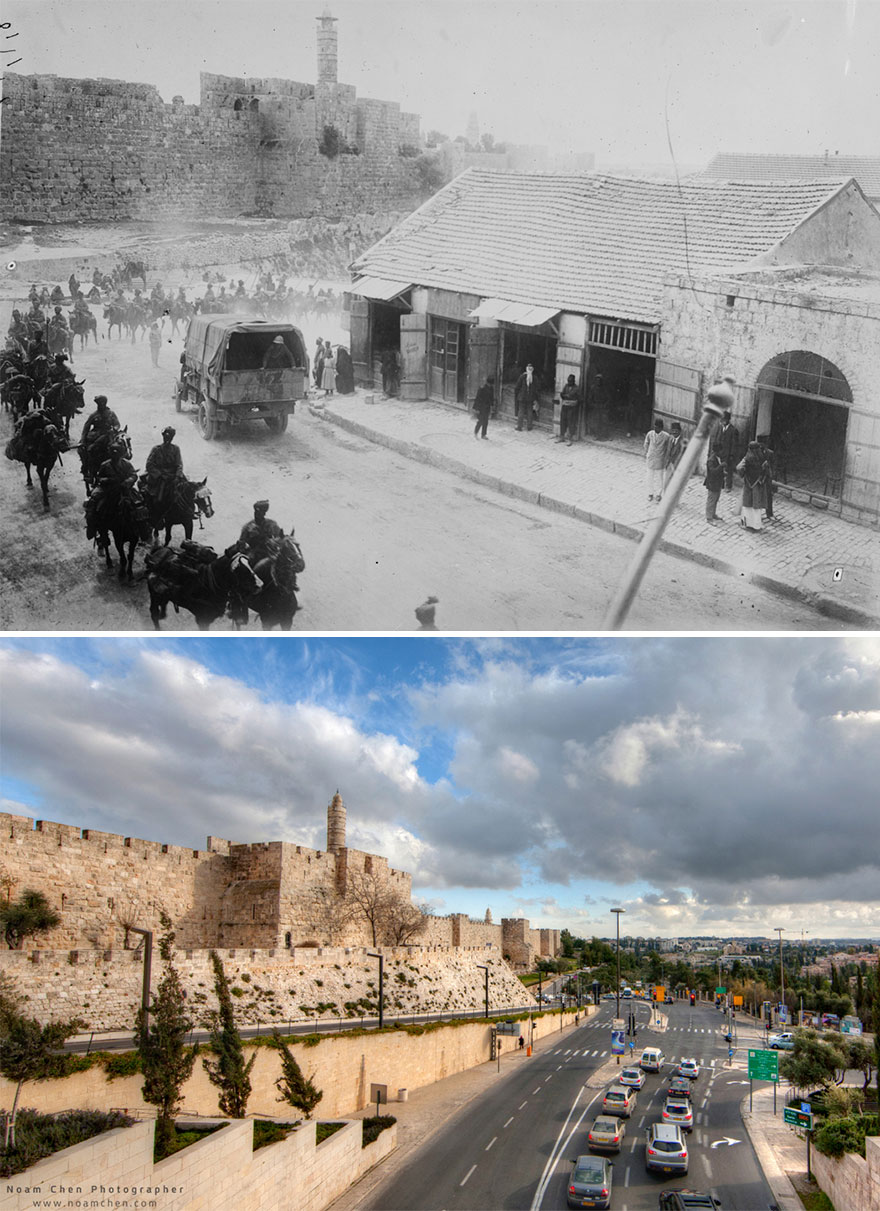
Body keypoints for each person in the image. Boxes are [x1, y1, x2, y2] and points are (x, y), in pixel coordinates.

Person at [85, 438, 138, 541]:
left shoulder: (126, 464)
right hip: (108, 490)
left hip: (124, 489)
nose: (115, 457)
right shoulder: (105, 465)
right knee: (93, 500)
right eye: (113, 455)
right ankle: (94, 528)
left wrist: (127, 482)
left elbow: (133, 474)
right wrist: (108, 480)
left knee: (140, 503)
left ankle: (142, 528)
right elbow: (99, 478)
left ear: (121, 454)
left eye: (117, 454)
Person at [239, 500, 284, 583]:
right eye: (256, 512)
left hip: (270, 554)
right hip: (253, 556)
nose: (257, 514)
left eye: (260, 512)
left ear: (264, 513)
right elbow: (241, 543)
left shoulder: (272, 524)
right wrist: (246, 546)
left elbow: (280, 540)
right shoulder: (248, 526)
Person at [145, 426, 185, 512]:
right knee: (156, 497)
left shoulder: (175, 449)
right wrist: (159, 475)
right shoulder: (156, 449)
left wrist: (177, 476)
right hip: (160, 477)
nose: (167, 439)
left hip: (173, 476)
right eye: (165, 437)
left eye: (170, 437)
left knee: (185, 491)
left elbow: (179, 464)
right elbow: (149, 465)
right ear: (162, 436)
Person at [735, 441, 767, 531]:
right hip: (759, 483)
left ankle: (746, 524)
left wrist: (743, 473)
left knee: (747, 504)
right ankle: (757, 525)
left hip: (749, 484)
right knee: (757, 505)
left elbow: (739, 467)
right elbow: (767, 469)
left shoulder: (747, 458)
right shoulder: (762, 457)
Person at [711, 410, 739, 490]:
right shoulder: (720, 428)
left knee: (728, 470)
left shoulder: (733, 430)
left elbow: (734, 445)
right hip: (720, 453)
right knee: (720, 469)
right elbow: (717, 439)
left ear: (727, 420)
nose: (722, 421)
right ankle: (721, 484)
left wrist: (732, 455)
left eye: (723, 420)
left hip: (728, 454)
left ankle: (728, 486)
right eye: (721, 420)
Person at [643, 418, 669, 502]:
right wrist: (647, 453)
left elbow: (668, 448)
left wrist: (665, 458)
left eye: (658, 427)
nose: (656, 429)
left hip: (660, 460)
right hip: (650, 459)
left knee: (659, 478)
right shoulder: (650, 434)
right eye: (655, 427)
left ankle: (658, 494)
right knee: (649, 477)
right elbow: (646, 443)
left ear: (661, 428)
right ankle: (650, 493)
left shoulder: (666, 436)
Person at [514, 363, 539, 431]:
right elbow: (537, 388)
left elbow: (517, 387)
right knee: (529, 411)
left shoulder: (522, 376)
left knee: (521, 411)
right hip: (530, 397)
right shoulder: (535, 378)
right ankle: (529, 426)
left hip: (522, 397)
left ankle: (519, 426)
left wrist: (518, 394)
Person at [756, 433, 776, 519]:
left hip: (767, 477)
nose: (761, 446)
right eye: (760, 444)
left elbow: (773, 466)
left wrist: (772, 476)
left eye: (763, 444)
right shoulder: (754, 453)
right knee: (756, 496)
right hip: (757, 477)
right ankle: (755, 514)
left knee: (768, 495)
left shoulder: (770, 453)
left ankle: (769, 514)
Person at [557, 374, 580, 445]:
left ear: (573, 381)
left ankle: (570, 439)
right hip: (565, 406)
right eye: (568, 381)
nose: (569, 382)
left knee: (571, 422)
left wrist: (567, 396)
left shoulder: (576, 388)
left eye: (570, 381)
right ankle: (562, 437)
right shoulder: (566, 386)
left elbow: (576, 397)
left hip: (572, 408)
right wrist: (567, 396)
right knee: (563, 421)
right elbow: (562, 394)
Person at [663, 421, 685, 490]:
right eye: (672, 431)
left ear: (680, 431)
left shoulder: (683, 442)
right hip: (669, 464)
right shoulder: (670, 439)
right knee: (666, 483)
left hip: (677, 466)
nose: (674, 432)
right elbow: (667, 451)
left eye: (676, 431)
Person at [704, 451, 725, 522]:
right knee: (711, 500)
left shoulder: (718, 458)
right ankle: (709, 517)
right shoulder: (711, 460)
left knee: (716, 499)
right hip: (712, 483)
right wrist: (721, 466)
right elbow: (712, 472)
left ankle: (713, 514)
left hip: (717, 483)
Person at [473, 374, 494, 439]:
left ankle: (483, 435)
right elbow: (478, 399)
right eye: (490, 384)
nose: (490, 385)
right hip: (481, 407)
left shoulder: (491, 388)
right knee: (480, 421)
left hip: (487, 407)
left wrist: (492, 406)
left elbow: (491, 398)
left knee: (486, 421)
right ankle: (476, 432)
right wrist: (477, 408)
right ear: (487, 382)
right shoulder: (482, 388)